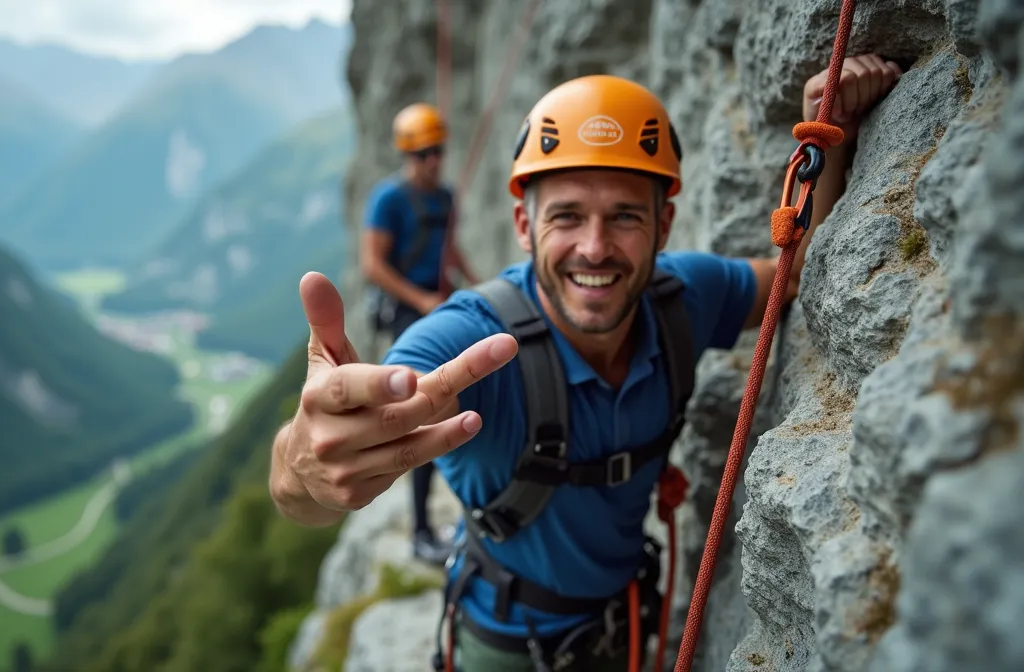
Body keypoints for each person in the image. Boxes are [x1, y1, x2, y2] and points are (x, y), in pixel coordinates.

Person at [271, 54, 901, 671]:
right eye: (567, 216)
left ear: (663, 224)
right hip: (505, 646)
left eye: (625, 216)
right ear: (524, 223)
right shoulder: (474, 345)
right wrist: (303, 464)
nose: (594, 249)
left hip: (627, 624)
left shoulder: (686, 297)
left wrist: (830, 138)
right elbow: (305, 484)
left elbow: (798, 273)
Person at [360, 101, 479, 565]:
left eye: (438, 151)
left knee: (462, 398)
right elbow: (373, 264)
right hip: (409, 313)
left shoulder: (445, 197)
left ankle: (457, 515)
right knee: (423, 411)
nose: (432, 160)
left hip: (440, 303)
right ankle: (422, 532)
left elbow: (450, 250)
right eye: (423, 153)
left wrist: (475, 280)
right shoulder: (389, 200)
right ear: (408, 155)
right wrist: (420, 299)